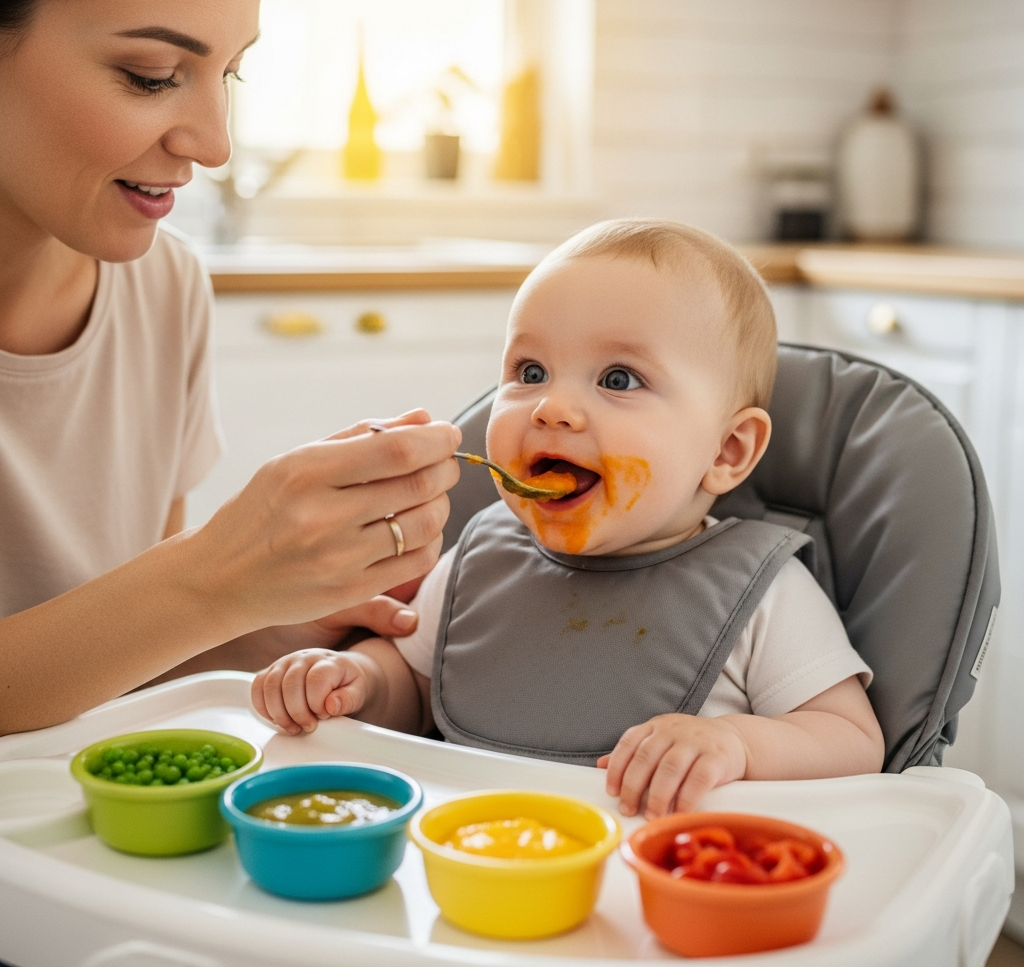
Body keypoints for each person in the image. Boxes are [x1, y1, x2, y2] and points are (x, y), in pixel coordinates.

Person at [253, 220, 886, 819]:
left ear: (727, 451)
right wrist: (354, 680)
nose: (553, 407)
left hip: (644, 898)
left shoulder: (760, 591)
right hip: (469, 869)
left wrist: (736, 745)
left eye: (618, 378)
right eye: (530, 372)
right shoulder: (481, 557)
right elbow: (419, 687)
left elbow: (852, 740)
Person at [0, 0, 460, 737]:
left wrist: (264, 621)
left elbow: (114, 652)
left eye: (231, 73)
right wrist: (216, 577)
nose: (215, 144)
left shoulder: (163, 287)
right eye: (151, 74)